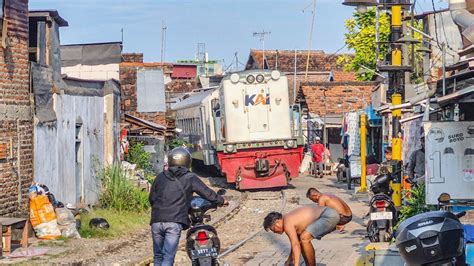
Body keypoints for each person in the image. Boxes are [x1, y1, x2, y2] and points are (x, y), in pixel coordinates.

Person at [149, 147, 228, 266]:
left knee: (158, 256)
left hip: (156, 221)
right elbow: (206, 192)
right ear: (187, 162)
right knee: (168, 257)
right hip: (174, 222)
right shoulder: (190, 177)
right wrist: (221, 201)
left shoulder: (160, 177)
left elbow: (152, 198)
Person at [263, 205, 340, 266]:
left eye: (273, 229)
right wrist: (290, 260)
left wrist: (296, 264)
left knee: (304, 238)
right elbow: (296, 244)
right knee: (301, 240)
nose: (274, 232)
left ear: (277, 222)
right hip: (329, 214)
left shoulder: (287, 223)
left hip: (328, 216)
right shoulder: (288, 219)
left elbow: (295, 245)